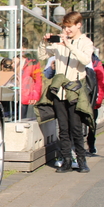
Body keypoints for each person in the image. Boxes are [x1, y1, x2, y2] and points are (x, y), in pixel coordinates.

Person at [38, 11, 94, 173]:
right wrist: (44, 42)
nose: (67, 30)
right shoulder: (59, 43)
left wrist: (68, 45)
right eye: (65, 27)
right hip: (59, 91)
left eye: (69, 27)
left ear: (78, 25)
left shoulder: (85, 42)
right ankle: (66, 160)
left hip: (75, 90)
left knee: (76, 127)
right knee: (62, 127)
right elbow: (42, 55)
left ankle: (82, 160)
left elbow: (85, 60)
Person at [86, 53, 104, 155]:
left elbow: (101, 83)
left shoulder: (96, 63)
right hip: (80, 96)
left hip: (93, 98)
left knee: (92, 124)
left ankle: (91, 143)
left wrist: (98, 100)